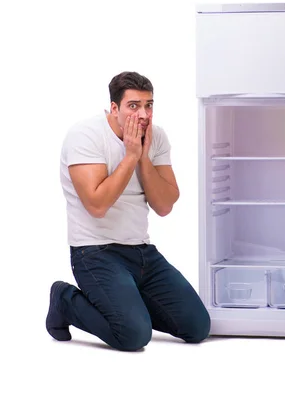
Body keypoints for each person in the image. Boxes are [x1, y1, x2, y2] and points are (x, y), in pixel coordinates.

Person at [46, 71, 210, 351]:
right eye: (133, 106)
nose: (143, 114)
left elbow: (165, 205)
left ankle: (129, 300)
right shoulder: (85, 136)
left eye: (148, 105)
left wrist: (143, 157)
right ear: (114, 108)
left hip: (142, 252)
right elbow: (97, 205)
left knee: (197, 327)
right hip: (95, 252)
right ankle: (64, 300)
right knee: (133, 336)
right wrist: (130, 155)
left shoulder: (155, 137)